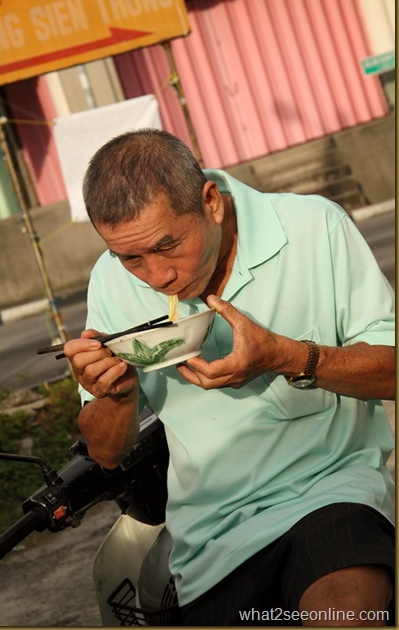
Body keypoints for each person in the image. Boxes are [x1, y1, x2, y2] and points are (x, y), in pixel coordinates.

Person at [64, 129, 395, 626]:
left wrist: (286, 356)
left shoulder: (312, 227)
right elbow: (106, 452)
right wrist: (114, 394)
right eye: (131, 257)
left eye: (167, 245)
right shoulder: (111, 281)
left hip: (332, 492)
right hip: (211, 537)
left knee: (343, 612)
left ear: (211, 203)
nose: (157, 277)